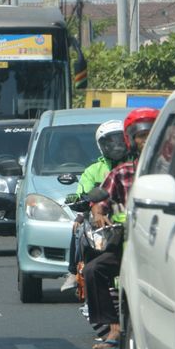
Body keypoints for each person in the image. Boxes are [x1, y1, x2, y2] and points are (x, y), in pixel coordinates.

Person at [85, 107, 159, 349]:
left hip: (163, 248)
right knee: (94, 270)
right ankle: (113, 326)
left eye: (151, 133)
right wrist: (98, 214)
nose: (146, 139)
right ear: (131, 139)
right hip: (128, 245)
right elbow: (100, 201)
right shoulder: (121, 173)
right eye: (140, 135)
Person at [60, 119, 128, 292]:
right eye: (110, 141)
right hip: (102, 223)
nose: (116, 146)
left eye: (120, 140)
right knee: (79, 228)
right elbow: (83, 193)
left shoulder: (137, 165)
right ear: (101, 145)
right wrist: (79, 204)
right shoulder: (93, 170)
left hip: (132, 221)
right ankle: (73, 272)